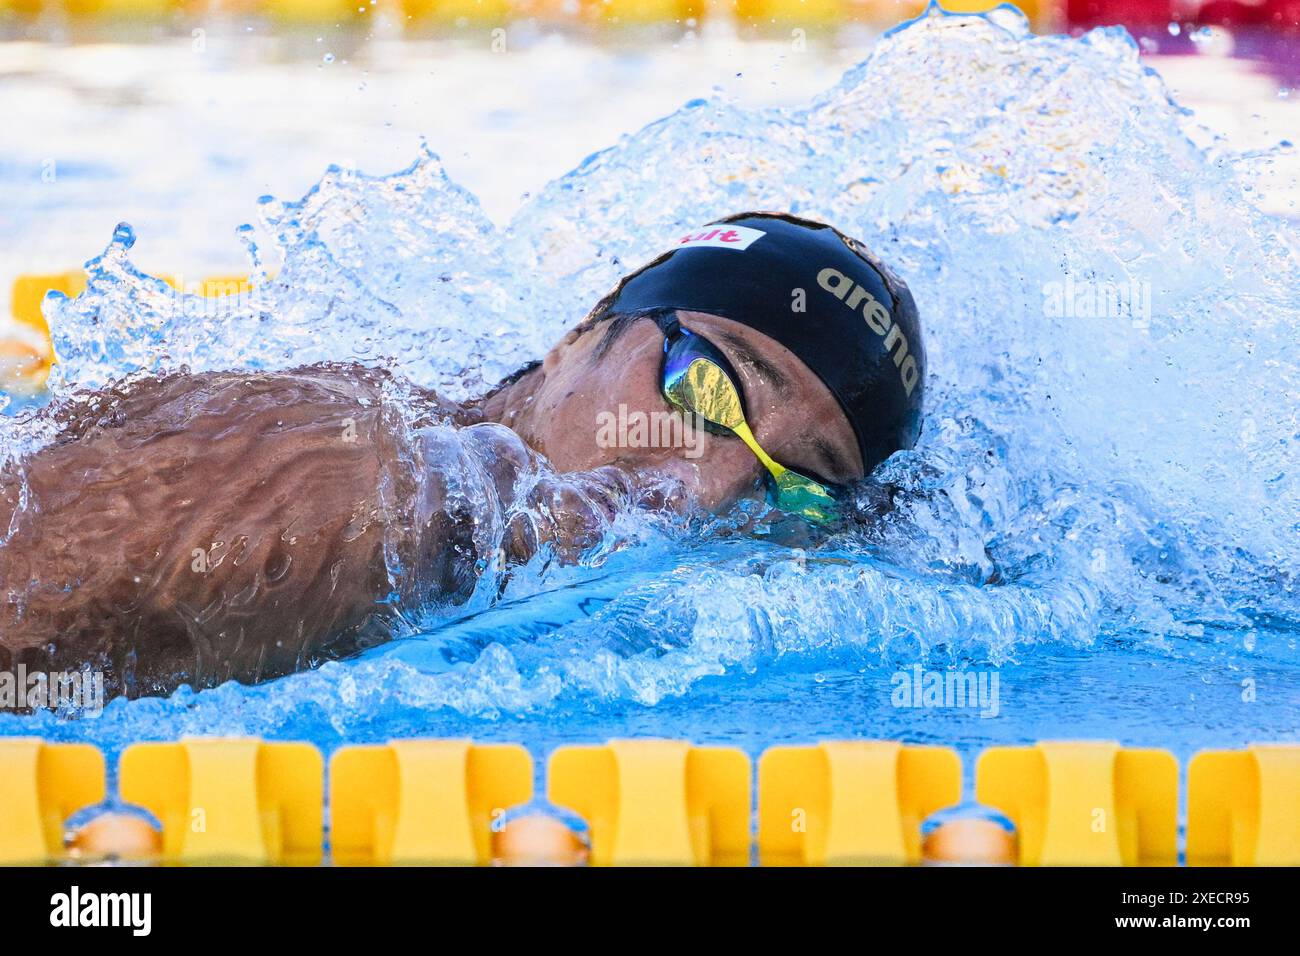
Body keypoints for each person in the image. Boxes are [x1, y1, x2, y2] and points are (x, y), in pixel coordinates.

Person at [0, 212, 925, 700]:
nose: (700, 492)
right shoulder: (359, 475)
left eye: (793, 485)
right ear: (580, 336)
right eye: (706, 387)